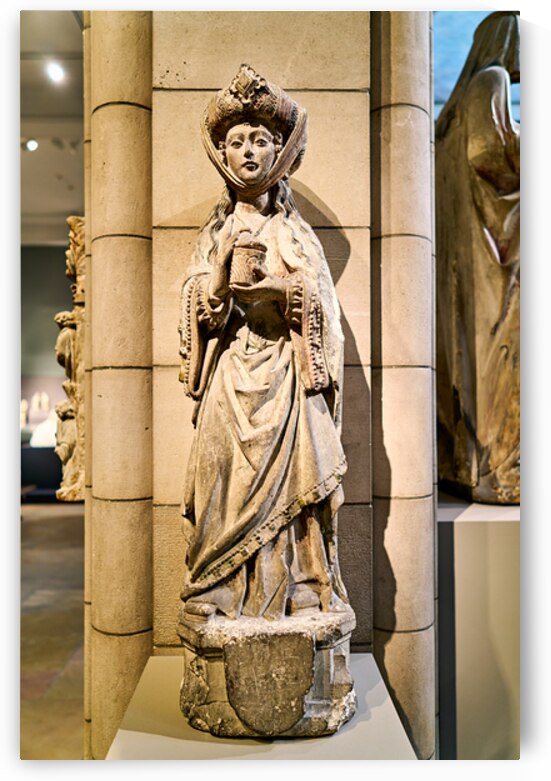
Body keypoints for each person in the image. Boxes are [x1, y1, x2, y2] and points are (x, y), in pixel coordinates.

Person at [178, 65, 350, 621]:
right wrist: (217, 282)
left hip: (285, 373)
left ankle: (296, 584)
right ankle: (219, 584)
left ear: (278, 151)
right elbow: (197, 310)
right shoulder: (215, 233)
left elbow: (320, 303)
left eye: (260, 140)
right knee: (218, 475)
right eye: (236, 142)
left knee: (297, 473)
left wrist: (281, 290)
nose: (248, 151)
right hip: (231, 373)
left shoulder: (293, 232)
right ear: (222, 155)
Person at [436, 13, 520, 504]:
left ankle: (469, 462)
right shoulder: (492, 80)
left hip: (471, 252)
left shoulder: (459, 102)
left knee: (472, 358)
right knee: (500, 357)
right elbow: (491, 153)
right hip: (493, 257)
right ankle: (499, 468)